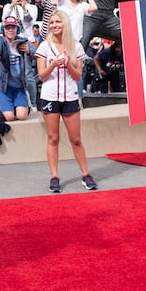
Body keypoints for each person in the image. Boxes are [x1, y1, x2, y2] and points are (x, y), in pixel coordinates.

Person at [36, 10, 97, 192]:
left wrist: (68, 64)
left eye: (58, 22)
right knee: (53, 138)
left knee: (76, 139)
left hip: (70, 96)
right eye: (52, 22)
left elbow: (78, 77)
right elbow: (41, 76)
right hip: (50, 97)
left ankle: (86, 174)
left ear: (65, 24)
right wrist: (53, 64)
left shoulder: (76, 46)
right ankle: (54, 176)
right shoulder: (44, 47)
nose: (55, 25)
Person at [0, 16, 35, 121]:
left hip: (20, 86)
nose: (10, 30)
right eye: (7, 27)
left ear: (17, 29)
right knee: (9, 117)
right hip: (5, 87)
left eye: (13, 27)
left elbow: (37, 53)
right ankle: (10, 108)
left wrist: (29, 51)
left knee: (21, 116)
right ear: (3, 29)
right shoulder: (0, 40)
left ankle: (23, 107)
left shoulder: (22, 40)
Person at [1, 0, 39, 109]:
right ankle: (15, 103)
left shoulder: (32, 7)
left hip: (25, 41)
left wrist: (24, 7)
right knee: (12, 73)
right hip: (11, 42)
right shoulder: (8, 7)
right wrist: (13, 5)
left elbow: (31, 21)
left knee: (28, 74)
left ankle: (32, 104)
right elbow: (3, 20)